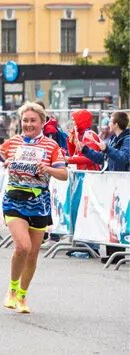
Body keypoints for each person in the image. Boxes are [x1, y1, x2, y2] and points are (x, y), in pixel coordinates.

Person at [0, 102, 68, 314]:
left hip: (39, 203)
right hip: (14, 200)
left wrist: (47, 168)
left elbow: (64, 174)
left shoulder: (51, 146)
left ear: (42, 122)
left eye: (33, 120)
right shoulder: (14, 142)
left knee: (32, 255)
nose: (28, 124)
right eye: (25, 120)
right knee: (23, 246)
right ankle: (11, 289)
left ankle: (22, 295)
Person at [77, 111, 130, 262]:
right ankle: (112, 253)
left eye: (110, 122)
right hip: (113, 184)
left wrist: (107, 149)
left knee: (120, 218)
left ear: (116, 124)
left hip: (123, 184)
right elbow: (103, 158)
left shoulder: (127, 140)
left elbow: (124, 159)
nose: (108, 125)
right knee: (112, 218)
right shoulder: (113, 139)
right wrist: (86, 150)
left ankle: (117, 253)